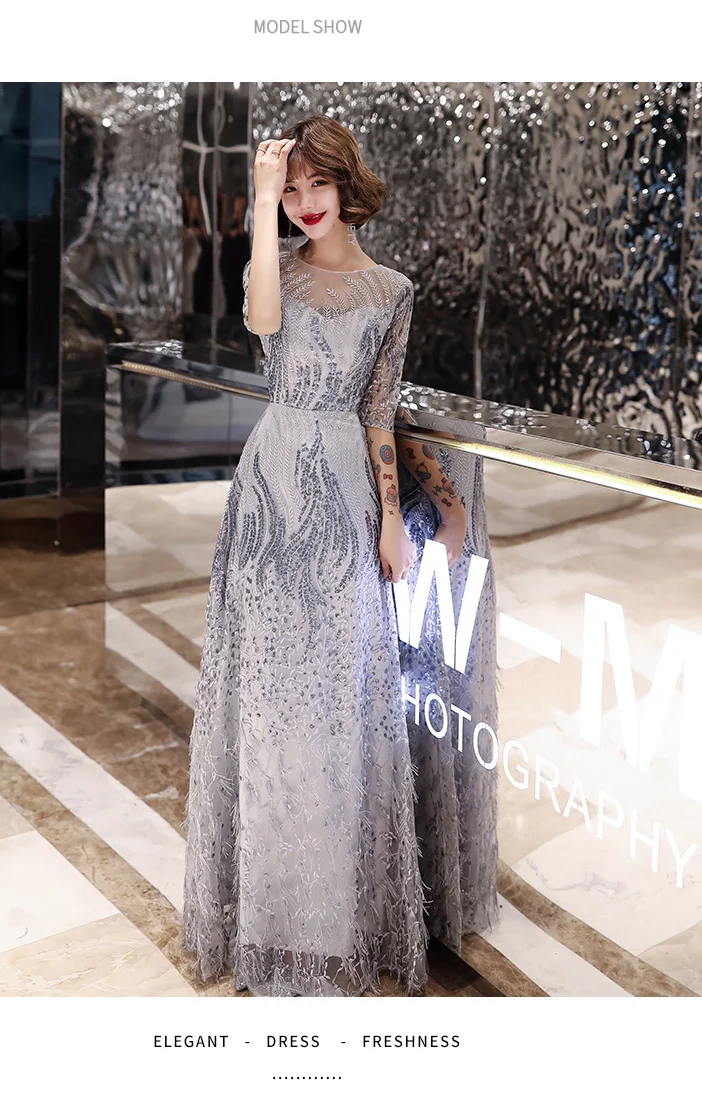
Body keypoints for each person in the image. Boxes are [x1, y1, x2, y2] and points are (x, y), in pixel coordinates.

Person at [182, 114, 429, 997]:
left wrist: (392, 519)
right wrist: (258, 197)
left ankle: (328, 919)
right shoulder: (275, 270)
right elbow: (258, 321)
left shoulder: (393, 290)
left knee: (334, 704)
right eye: (291, 190)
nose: (305, 203)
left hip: (344, 500)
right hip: (268, 495)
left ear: (347, 184)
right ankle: (264, 917)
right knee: (266, 701)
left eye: (317, 184)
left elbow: (378, 412)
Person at [396, 414, 500, 953]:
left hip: (453, 475)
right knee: (426, 683)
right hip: (431, 496)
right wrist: (451, 508)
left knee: (446, 687)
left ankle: (436, 875)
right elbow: (391, 408)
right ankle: (415, 877)